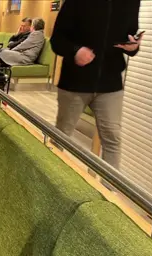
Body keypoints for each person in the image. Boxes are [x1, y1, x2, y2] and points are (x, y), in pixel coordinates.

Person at [51, 0, 142, 170]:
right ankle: (52, 179)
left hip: (111, 83)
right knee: (62, 135)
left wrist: (133, 47)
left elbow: (129, 37)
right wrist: (75, 51)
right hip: (75, 82)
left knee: (113, 138)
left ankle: (109, 192)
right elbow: (57, 40)